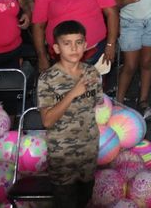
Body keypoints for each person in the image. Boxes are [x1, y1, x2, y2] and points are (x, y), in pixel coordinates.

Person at [37, 21, 103, 207]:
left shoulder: (92, 73)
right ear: (57, 48)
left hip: (89, 149)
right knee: (65, 202)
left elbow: (96, 105)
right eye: (67, 43)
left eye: (78, 42)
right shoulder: (48, 79)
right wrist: (72, 93)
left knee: (85, 199)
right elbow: (47, 121)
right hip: (62, 153)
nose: (74, 48)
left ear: (85, 45)